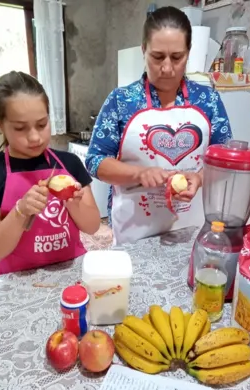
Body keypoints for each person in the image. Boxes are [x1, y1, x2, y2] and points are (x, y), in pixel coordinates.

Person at [85, 6, 232, 245]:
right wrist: (139, 173)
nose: (166, 68)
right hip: (134, 231)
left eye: (176, 57)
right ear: (144, 50)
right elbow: (95, 161)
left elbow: (224, 158)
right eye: (157, 57)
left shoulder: (208, 100)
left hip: (191, 226)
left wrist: (199, 178)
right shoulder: (122, 101)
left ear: (188, 52)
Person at [0, 71, 101, 274]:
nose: (34, 137)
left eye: (41, 125)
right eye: (20, 128)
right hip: (18, 280)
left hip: (70, 270)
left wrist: (73, 203)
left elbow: (93, 227)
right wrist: (20, 211)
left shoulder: (70, 163)